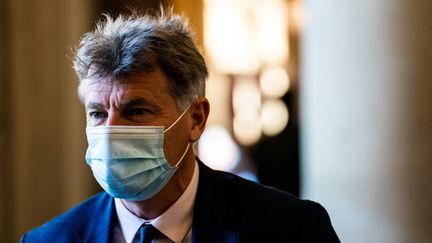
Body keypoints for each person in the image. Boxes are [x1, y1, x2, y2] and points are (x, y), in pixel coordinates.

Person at [20, 9, 340, 243]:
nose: (110, 132)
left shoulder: (290, 229)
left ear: (196, 119)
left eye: (137, 111)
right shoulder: (46, 240)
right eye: (97, 114)